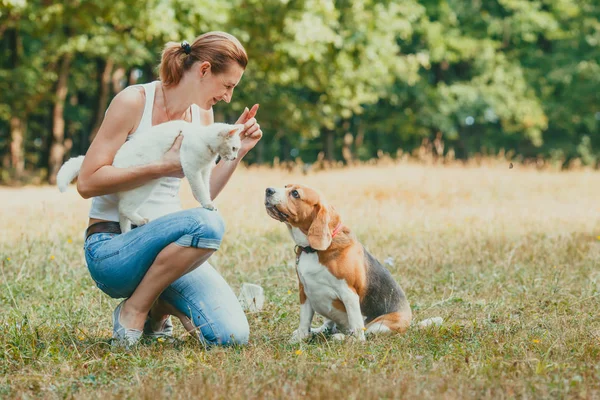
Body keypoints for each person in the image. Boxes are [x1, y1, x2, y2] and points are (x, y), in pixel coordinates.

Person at [76, 31, 262, 348]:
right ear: (203, 70)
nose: (228, 97)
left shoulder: (202, 115)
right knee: (210, 222)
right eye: (227, 85)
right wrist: (161, 166)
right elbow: (87, 182)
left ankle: (158, 307)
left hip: (170, 251)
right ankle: (134, 310)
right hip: (114, 246)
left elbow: (206, 191)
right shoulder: (134, 102)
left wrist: (239, 150)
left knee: (230, 336)